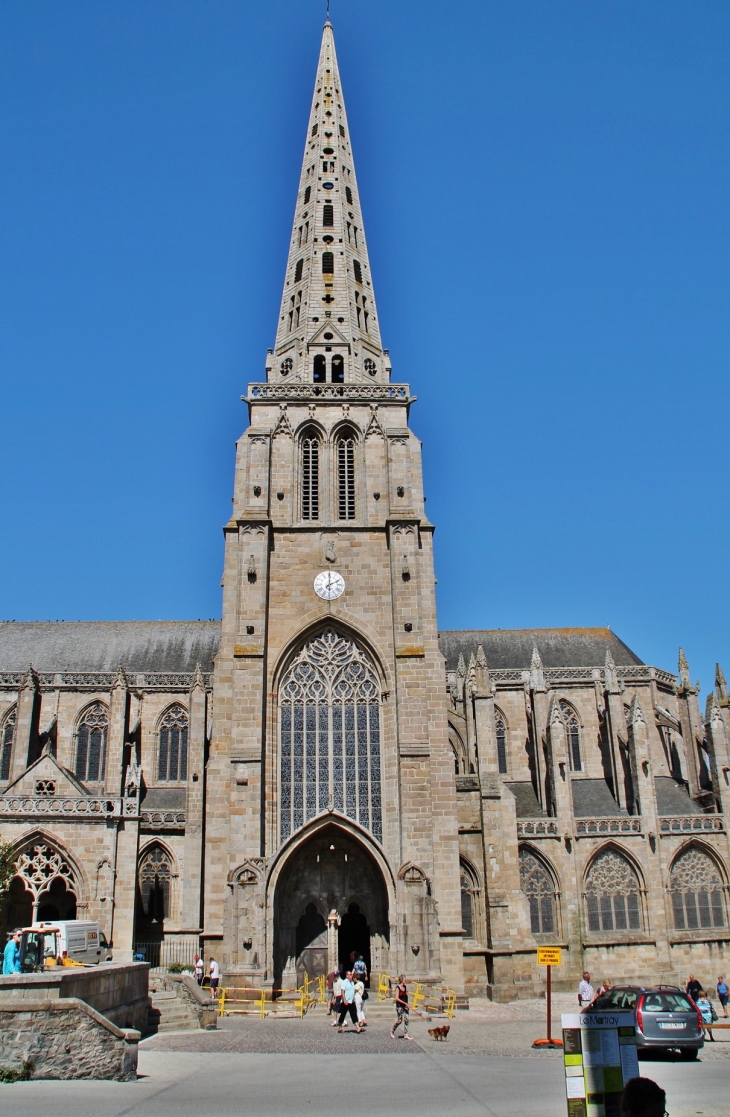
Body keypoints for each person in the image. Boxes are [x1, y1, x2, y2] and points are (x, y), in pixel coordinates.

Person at [390, 974, 413, 1041]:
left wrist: (407, 1005)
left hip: (405, 1006)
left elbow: (405, 997)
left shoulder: (405, 987)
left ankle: (406, 1035)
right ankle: (392, 1031)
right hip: (399, 1006)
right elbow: (397, 998)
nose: (405, 980)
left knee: (407, 1019)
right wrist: (404, 1003)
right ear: (401, 980)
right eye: (404, 979)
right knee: (400, 1020)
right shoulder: (398, 987)